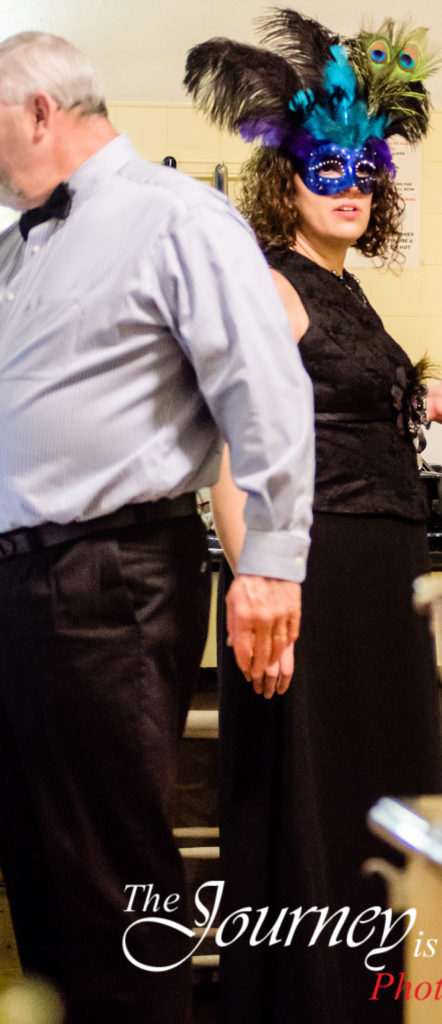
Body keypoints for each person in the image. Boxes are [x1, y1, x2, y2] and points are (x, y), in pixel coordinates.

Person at [0, 31, 314, 1024]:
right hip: (20, 583)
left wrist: (272, 563)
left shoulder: (176, 216)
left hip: (110, 576)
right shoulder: (18, 245)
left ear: (39, 110)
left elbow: (265, 391)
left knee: (113, 875)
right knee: (39, 866)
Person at [185, 12, 442, 1023]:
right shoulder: (270, 284)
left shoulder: (350, 293)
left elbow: (342, 398)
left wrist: (428, 396)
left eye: (364, 173)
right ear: (288, 181)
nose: (349, 187)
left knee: (380, 801)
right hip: (321, 576)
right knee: (317, 799)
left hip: (389, 582)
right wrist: (260, 583)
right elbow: (232, 451)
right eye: (326, 170)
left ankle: (375, 998)